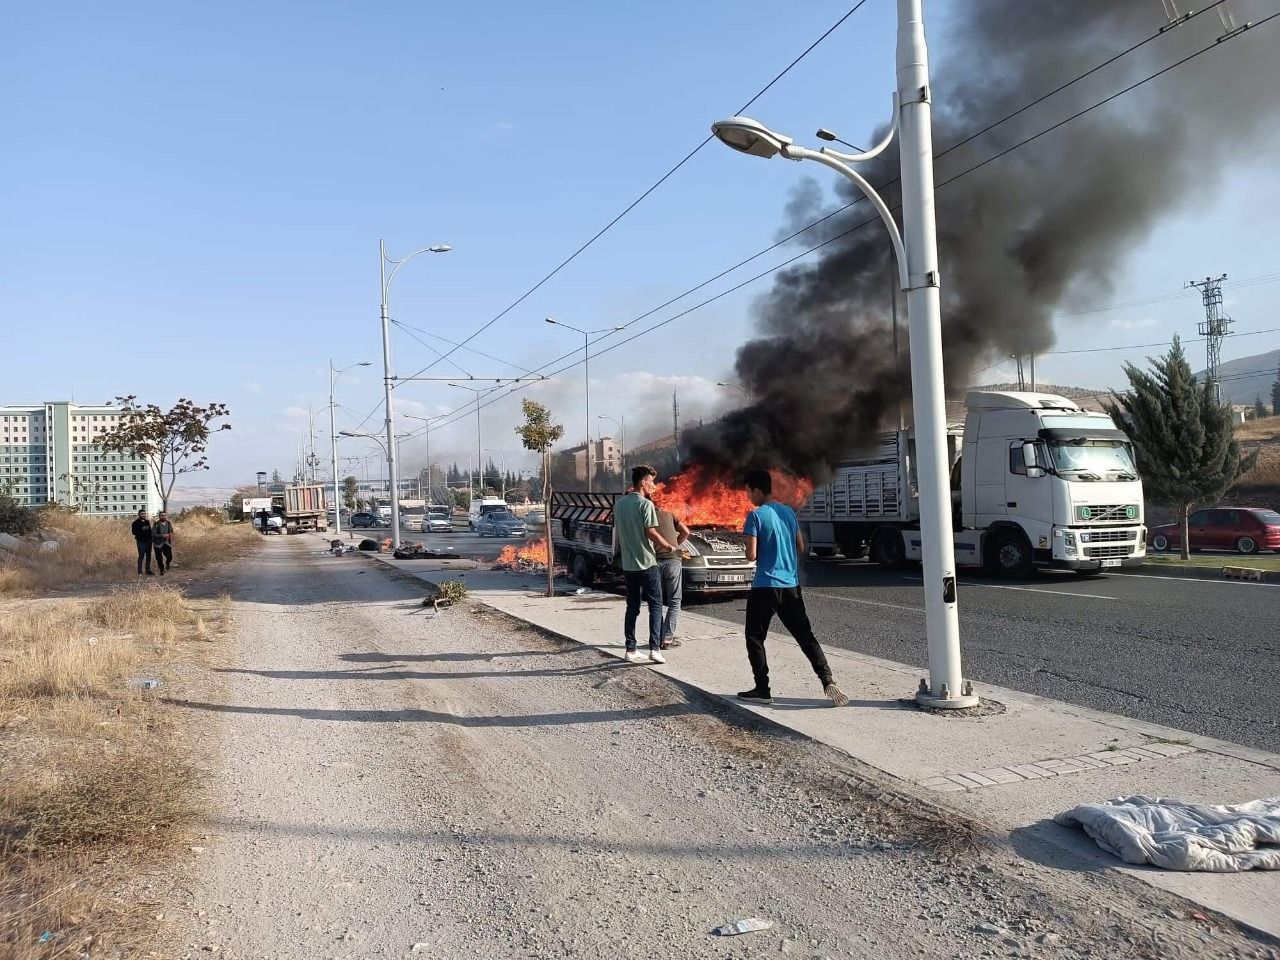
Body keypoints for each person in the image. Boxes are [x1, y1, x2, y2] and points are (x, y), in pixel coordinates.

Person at [738, 468, 848, 707]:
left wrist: (750, 545)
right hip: (790, 585)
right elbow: (800, 546)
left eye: (748, 492)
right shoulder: (788, 512)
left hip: (765, 585)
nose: (748, 496)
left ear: (757, 490)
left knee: (755, 637)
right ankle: (827, 679)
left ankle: (762, 689)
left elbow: (751, 555)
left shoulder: (755, 516)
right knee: (805, 635)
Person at [613, 465, 674, 664]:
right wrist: (669, 546)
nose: (653, 486)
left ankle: (630, 649)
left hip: (629, 565)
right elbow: (651, 532)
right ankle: (655, 649)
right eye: (651, 482)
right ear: (642, 482)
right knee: (656, 606)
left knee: (632, 607)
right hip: (647, 563)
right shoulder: (646, 505)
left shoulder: (619, 505)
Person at [647, 491, 690, 650]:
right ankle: (667, 638)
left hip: (655, 562)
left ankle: (658, 638)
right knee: (675, 601)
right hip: (673, 561)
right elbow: (686, 532)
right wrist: (674, 546)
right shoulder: (669, 515)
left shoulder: (645, 517)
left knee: (656, 602)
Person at [131, 508, 154, 576]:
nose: (143, 515)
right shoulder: (135, 523)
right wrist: (142, 531)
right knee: (141, 556)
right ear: (139, 514)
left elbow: (150, 531)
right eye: (142, 514)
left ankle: (148, 570)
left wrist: (151, 539)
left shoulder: (147, 522)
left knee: (148, 556)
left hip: (148, 541)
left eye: (144, 514)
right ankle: (140, 572)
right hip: (141, 542)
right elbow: (133, 532)